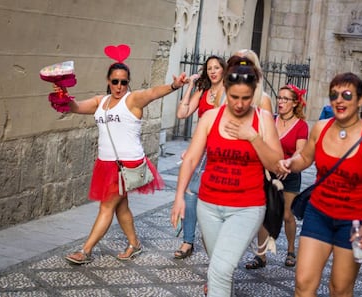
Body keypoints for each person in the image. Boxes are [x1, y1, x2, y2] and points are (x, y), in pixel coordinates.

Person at [56, 45, 188, 264]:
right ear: (108, 81)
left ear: (128, 82)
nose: (119, 86)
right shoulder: (101, 102)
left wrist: (174, 85)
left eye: (124, 82)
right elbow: (75, 107)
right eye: (115, 81)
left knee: (106, 206)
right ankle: (134, 244)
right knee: (121, 206)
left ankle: (85, 251)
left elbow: (152, 93)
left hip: (126, 163)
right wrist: (61, 93)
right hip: (106, 162)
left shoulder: (132, 100)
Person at [171, 55, 283, 297]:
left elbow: (277, 165)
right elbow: (191, 158)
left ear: (253, 94)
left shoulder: (262, 120)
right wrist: (179, 196)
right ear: (226, 90)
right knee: (220, 268)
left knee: (220, 271)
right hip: (209, 206)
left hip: (247, 207)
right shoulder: (211, 117)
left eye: (245, 98)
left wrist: (252, 137)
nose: (240, 104)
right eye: (234, 97)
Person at [277, 72, 362, 296]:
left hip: (353, 223)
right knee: (303, 283)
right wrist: (290, 162)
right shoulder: (321, 127)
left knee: (340, 288)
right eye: (334, 94)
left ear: (360, 100)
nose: (339, 100)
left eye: (347, 95)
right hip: (319, 215)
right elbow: (305, 158)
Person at [245, 84, 308, 269]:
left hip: (289, 175)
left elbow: (300, 151)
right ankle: (261, 255)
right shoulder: (269, 120)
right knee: (264, 214)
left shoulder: (301, 126)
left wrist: (288, 164)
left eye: (285, 99)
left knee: (287, 214)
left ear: (295, 103)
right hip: (268, 173)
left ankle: (290, 250)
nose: (280, 102)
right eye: (279, 98)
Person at [174, 55, 227, 259]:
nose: (213, 71)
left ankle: (218, 243)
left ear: (223, 70)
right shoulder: (203, 91)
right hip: (200, 149)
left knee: (212, 195)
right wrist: (191, 86)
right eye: (209, 68)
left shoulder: (229, 93)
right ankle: (188, 241)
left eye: (216, 67)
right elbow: (181, 113)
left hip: (218, 149)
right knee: (189, 192)